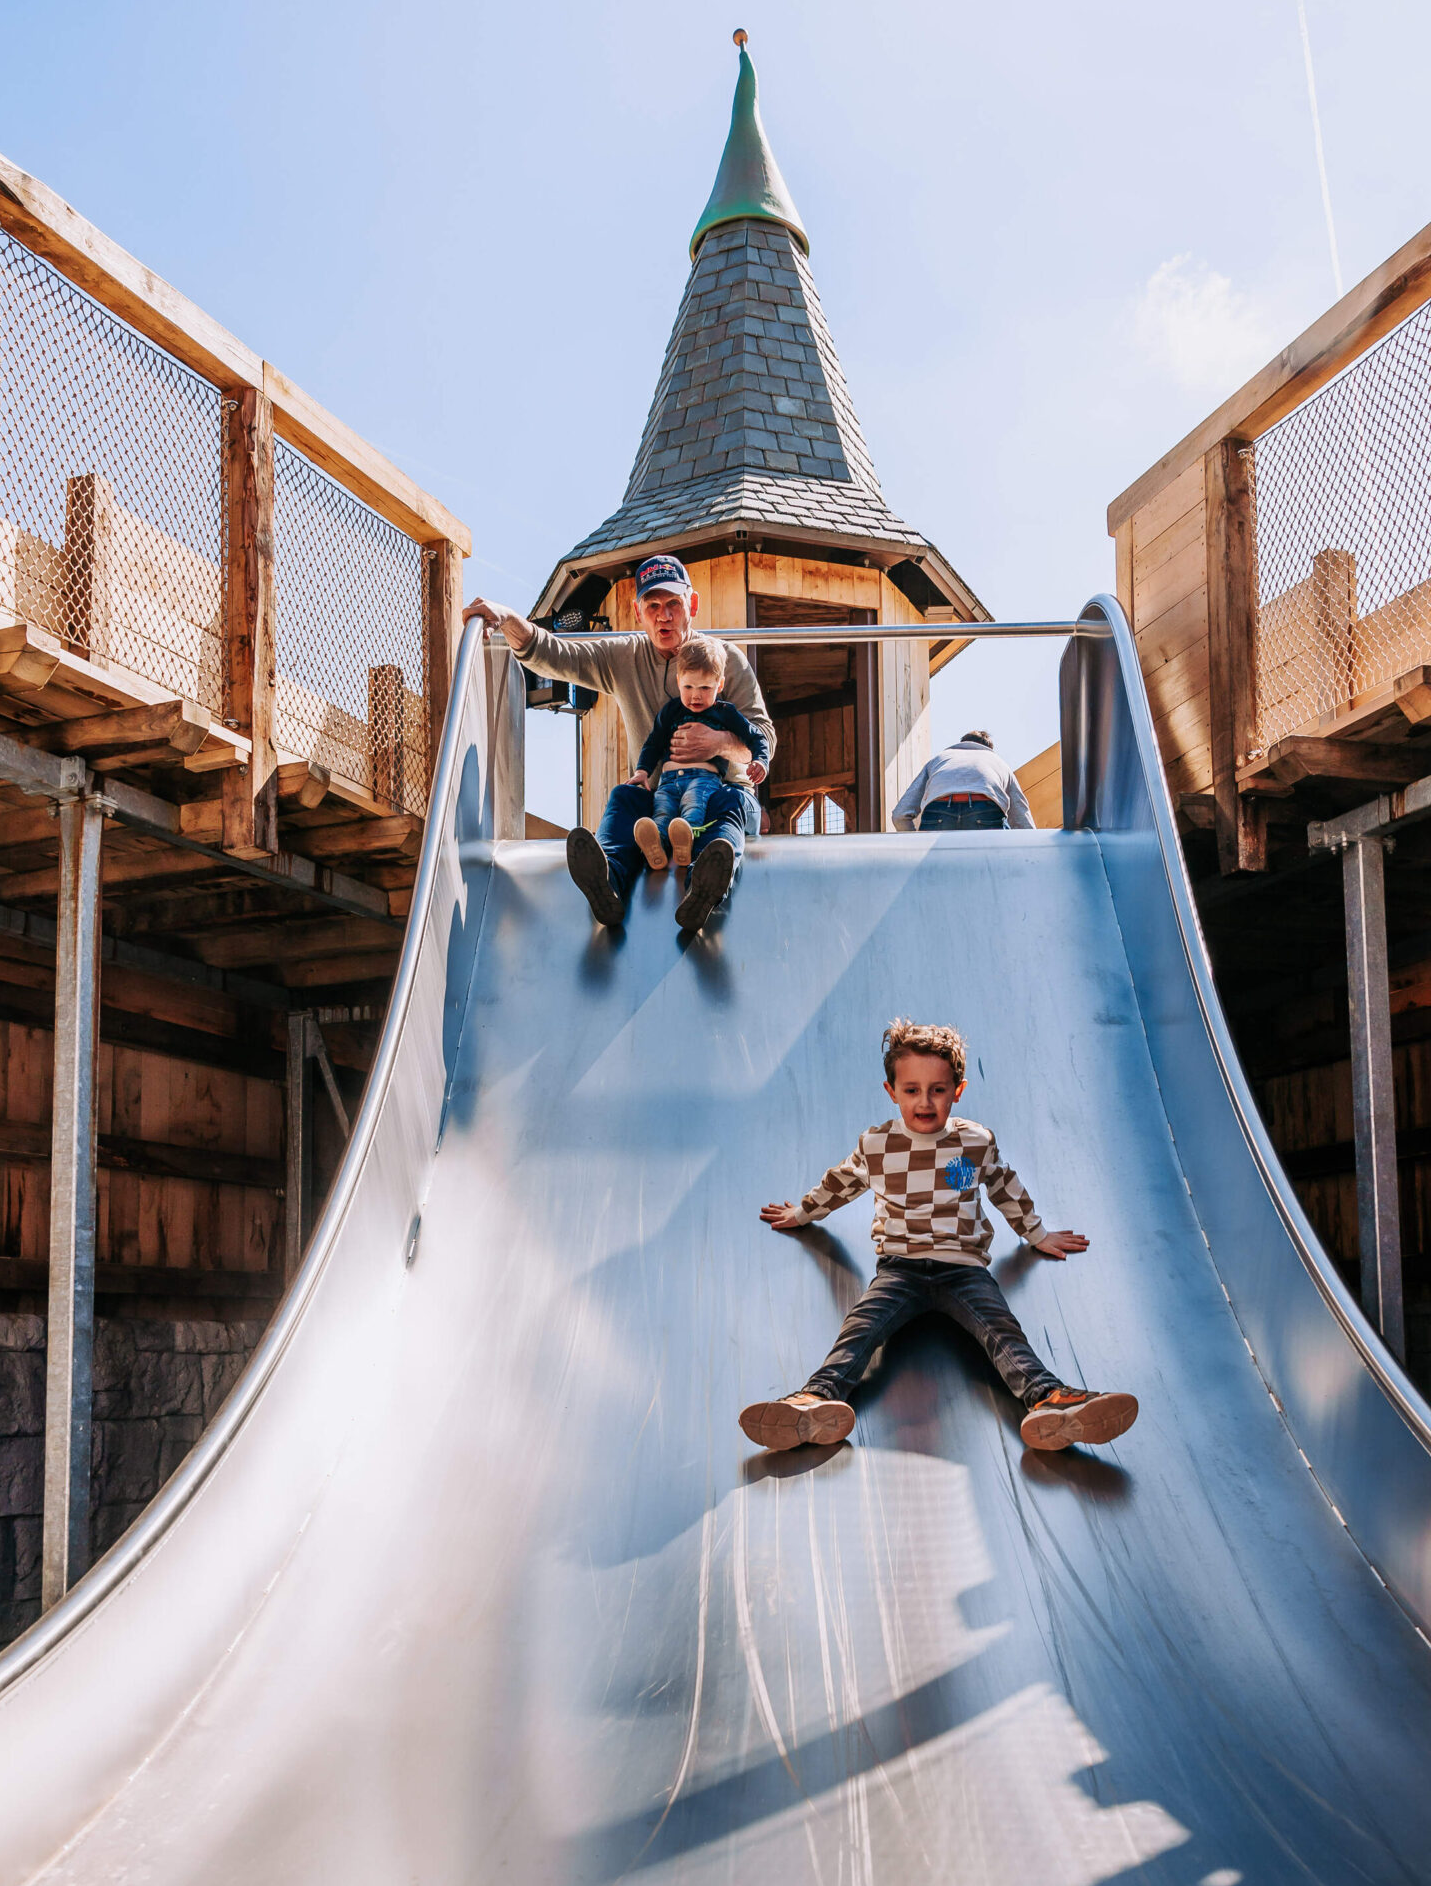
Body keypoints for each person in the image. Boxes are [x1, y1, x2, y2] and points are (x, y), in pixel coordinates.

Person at [739, 1018, 1138, 1455]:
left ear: (958, 1090)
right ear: (892, 1091)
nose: (924, 1102)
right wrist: (802, 1212)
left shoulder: (974, 1142)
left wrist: (1036, 1233)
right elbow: (841, 1183)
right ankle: (814, 1400)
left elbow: (1004, 1185)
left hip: (963, 1269)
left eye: (938, 1090)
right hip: (900, 1269)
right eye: (911, 1090)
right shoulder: (877, 1146)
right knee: (860, 1328)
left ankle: (1050, 1402)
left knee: (1002, 1331)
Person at [461, 553, 773, 935]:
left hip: (720, 793)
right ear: (637, 611)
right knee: (624, 800)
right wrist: (507, 617)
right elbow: (557, 655)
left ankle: (705, 888)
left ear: (691, 604)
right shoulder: (624, 656)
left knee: (731, 806)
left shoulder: (723, 661)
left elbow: (762, 735)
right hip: (661, 795)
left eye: (673, 604)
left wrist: (720, 742)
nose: (664, 615)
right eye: (653, 605)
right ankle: (607, 883)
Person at [630, 635, 770, 925]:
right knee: (662, 811)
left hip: (703, 778)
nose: (695, 695)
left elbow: (755, 734)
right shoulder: (671, 711)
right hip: (668, 779)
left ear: (719, 686)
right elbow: (654, 743)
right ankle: (656, 847)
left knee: (694, 807)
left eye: (705, 688)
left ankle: (688, 842)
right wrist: (643, 770)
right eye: (688, 687)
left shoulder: (724, 713)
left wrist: (760, 760)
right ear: (678, 680)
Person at [892, 730, 1034, 832]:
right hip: (985, 811)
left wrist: (914, 845)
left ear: (962, 743)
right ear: (989, 749)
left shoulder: (940, 759)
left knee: (935, 870)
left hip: (938, 813)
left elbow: (900, 815)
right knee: (996, 865)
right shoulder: (998, 762)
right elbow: (1022, 820)